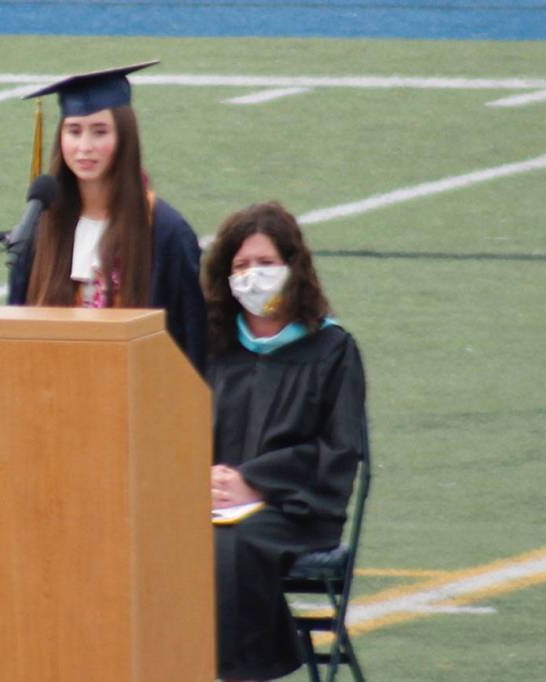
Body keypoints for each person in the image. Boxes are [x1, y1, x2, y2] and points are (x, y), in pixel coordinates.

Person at [201, 202, 367, 681]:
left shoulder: (331, 349)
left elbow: (337, 451)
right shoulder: (213, 347)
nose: (253, 276)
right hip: (206, 499)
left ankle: (242, 673)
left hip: (294, 510)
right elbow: (173, 430)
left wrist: (255, 483)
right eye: (241, 266)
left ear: (294, 268)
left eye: (266, 263)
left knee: (229, 545)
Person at [7, 61, 206, 372]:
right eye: (74, 131)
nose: (85, 147)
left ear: (125, 137)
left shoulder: (165, 231)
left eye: (100, 132)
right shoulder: (41, 227)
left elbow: (189, 345)